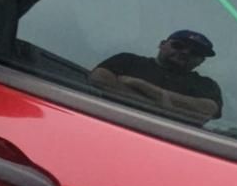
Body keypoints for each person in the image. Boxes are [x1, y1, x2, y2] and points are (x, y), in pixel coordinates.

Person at [89, 30, 224, 123]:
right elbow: (99, 78)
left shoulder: (206, 84)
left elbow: (208, 109)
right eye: (178, 45)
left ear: (201, 61)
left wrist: (142, 85)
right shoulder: (128, 61)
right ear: (161, 44)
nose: (185, 52)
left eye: (195, 52)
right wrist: (168, 106)